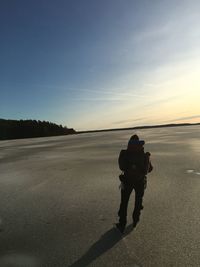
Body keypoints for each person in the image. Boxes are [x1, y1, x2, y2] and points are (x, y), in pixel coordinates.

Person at [116, 134, 153, 233]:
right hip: (140, 182)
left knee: (124, 203)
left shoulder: (125, 153)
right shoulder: (143, 154)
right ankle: (135, 220)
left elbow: (122, 167)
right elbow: (149, 169)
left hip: (127, 181)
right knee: (138, 201)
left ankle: (122, 224)